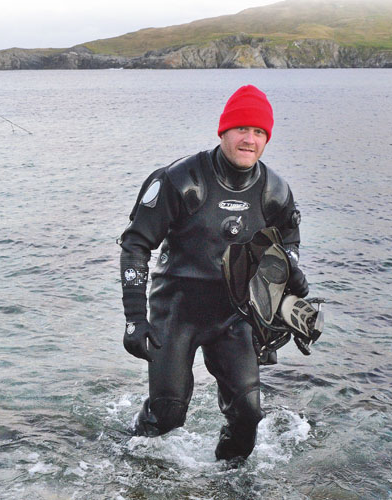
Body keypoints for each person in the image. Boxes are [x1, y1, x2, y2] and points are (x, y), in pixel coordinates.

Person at [117, 85, 312, 462]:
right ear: (223, 131)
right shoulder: (180, 180)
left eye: (258, 132)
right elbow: (136, 245)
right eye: (241, 128)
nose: (249, 139)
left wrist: (290, 272)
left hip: (234, 315)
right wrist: (134, 319)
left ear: (266, 139)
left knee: (248, 415)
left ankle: (229, 482)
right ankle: (128, 458)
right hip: (176, 311)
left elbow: (288, 241)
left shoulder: (274, 190)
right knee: (168, 415)